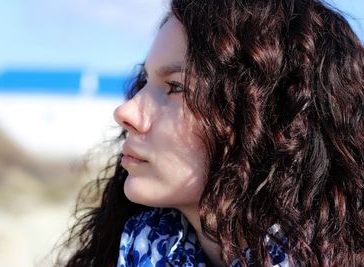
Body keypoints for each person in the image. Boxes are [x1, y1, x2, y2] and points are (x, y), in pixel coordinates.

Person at [57, 0, 364, 266]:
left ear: (271, 120)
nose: (126, 113)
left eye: (175, 87)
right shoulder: (134, 251)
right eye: (144, 83)